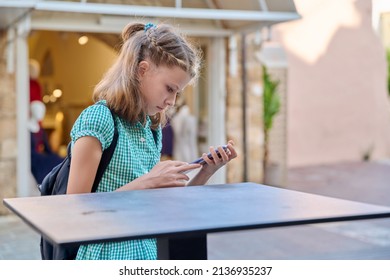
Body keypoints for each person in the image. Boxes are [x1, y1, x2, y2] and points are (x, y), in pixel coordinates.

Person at [67, 22, 237, 260]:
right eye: (169, 88)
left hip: (146, 254)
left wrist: (205, 172)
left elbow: (165, 211)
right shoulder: (99, 119)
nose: (172, 101)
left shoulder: (151, 129)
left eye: (178, 92)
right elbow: (73, 212)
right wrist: (147, 182)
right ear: (142, 70)